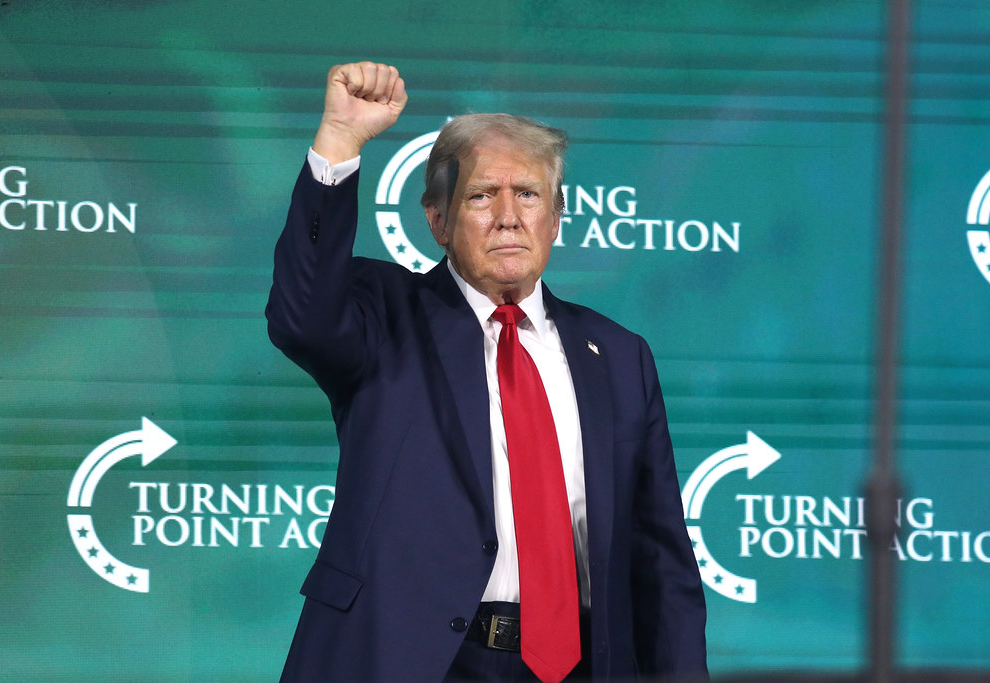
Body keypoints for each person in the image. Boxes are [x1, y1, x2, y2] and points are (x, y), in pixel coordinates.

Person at [267, 61, 707, 682]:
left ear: (555, 220)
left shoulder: (618, 355)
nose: (508, 215)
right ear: (438, 221)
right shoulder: (386, 315)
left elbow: (661, 560)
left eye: (527, 194)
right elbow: (302, 314)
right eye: (481, 195)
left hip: (581, 666)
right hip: (416, 661)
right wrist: (339, 141)